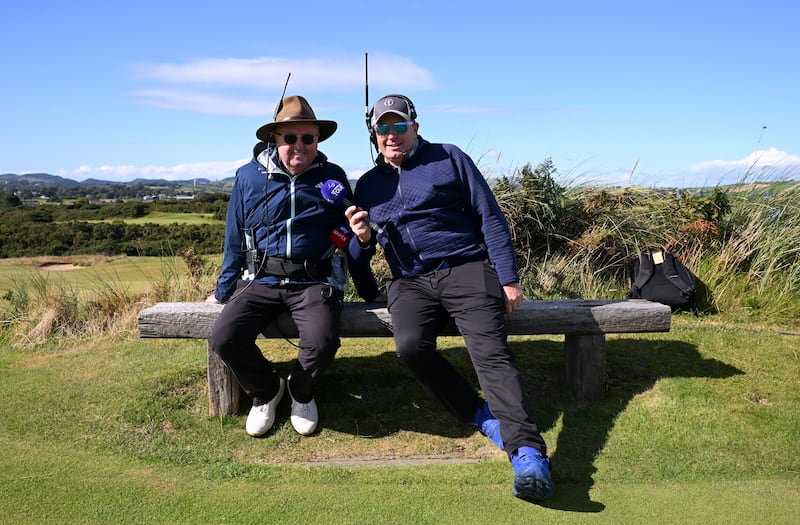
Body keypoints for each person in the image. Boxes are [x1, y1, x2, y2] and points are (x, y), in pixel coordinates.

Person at [345, 94, 554, 502]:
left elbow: (488, 216)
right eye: (383, 128)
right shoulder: (369, 185)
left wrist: (508, 278)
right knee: (409, 349)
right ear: (374, 135)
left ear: (415, 128)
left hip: (466, 268)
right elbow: (358, 256)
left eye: (399, 126)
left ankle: (528, 454)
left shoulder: (449, 157)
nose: (392, 135)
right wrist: (363, 240)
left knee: (489, 353)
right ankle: (479, 414)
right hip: (409, 282)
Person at [207, 95, 380, 438]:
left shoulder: (332, 177)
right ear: (274, 138)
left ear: (317, 140)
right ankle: (267, 390)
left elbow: (350, 234)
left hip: (314, 281)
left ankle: (301, 391)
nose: (299, 145)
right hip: (259, 279)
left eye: (308, 138)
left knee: (323, 341)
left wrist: (363, 255)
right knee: (224, 338)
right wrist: (223, 290)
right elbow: (234, 237)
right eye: (290, 138)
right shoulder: (248, 177)